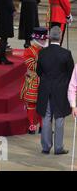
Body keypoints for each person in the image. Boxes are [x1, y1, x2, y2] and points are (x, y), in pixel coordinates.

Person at [37, 26, 74, 155]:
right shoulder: (66, 53)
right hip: (60, 90)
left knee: (46, 117)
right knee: (59, 117)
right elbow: (71, 74)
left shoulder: (42, 52)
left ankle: (46, 147)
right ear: (60, 37)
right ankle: (58, 147)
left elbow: (38, 71)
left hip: (46, 88)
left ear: (49, 36)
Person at [21, 27, 48, 135]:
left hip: (44, 81)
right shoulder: (29, 51)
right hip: (33, 80)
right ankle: (31, 125)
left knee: (43, 105)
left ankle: (42, 125)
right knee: (31, 104)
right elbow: (32, 66)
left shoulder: (45, 50)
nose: (44, 41)